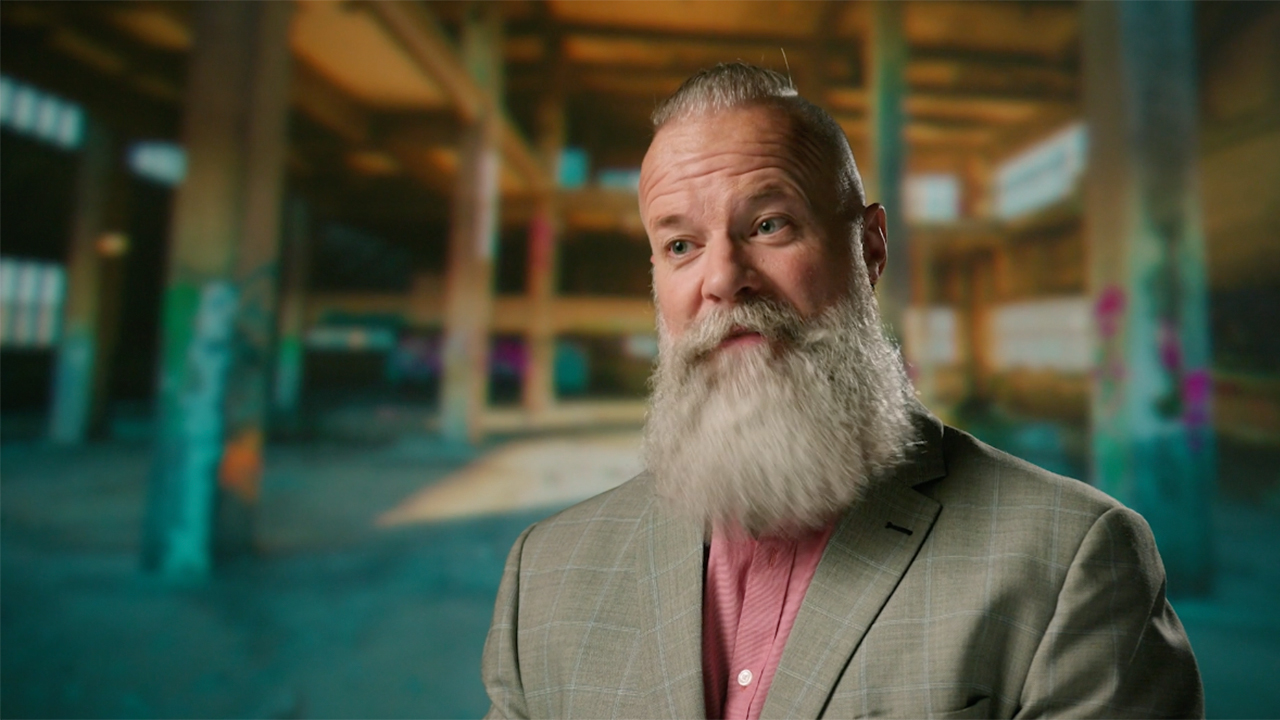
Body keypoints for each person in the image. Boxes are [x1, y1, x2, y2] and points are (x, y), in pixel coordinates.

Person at [481, 63, 1202, 719]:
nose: (723, 277)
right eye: (680, 245)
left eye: (769, 225)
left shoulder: (1069, 562)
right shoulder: (545, 575)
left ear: (871, 249)